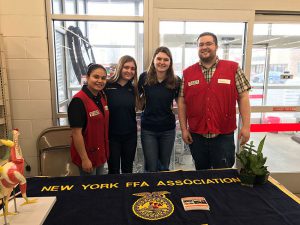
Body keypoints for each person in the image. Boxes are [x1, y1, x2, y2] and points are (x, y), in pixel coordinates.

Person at [178, 32, 251, 170]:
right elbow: (182, 102)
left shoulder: (233, 69)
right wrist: (183, 129)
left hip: (223, 135)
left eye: (208, 43)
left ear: (216, 46)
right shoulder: (188, 73)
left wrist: (246, 126)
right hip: (197, 136)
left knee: (223, 175)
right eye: (201, 44)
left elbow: (244, 97)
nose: (204, 47)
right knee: (201, 174)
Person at [138, 46, 181, 172]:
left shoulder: (176, 80)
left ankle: (163, 191)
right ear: (154, 60)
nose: (162, 62)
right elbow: (137, 99)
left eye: (166, 60)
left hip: (167, 129)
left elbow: (181, 103)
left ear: (170, 62)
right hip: (148, 129)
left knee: (164, 166)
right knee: (151, 167)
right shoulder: (144, 77)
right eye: (159, 59)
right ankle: (150, 191)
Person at [68, 63, 109, 176]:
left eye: (103, 78)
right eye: (96, 77)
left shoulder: (101, 97)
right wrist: (84, 159)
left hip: (100, 153)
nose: (100, 81)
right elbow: (76, 133)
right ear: (87, 77)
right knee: (89, 190)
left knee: (100, 188)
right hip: (87, 157)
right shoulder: (78, 101)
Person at [105, 55, 139, 174]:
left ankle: (127, 193)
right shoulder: (107, 86)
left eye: (132, 68)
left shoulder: (134, 88)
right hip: (111, 137)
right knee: (113, 170)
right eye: (126, 67)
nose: (129, 71)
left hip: (130, 136)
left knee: (127, 169)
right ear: (120, 67)